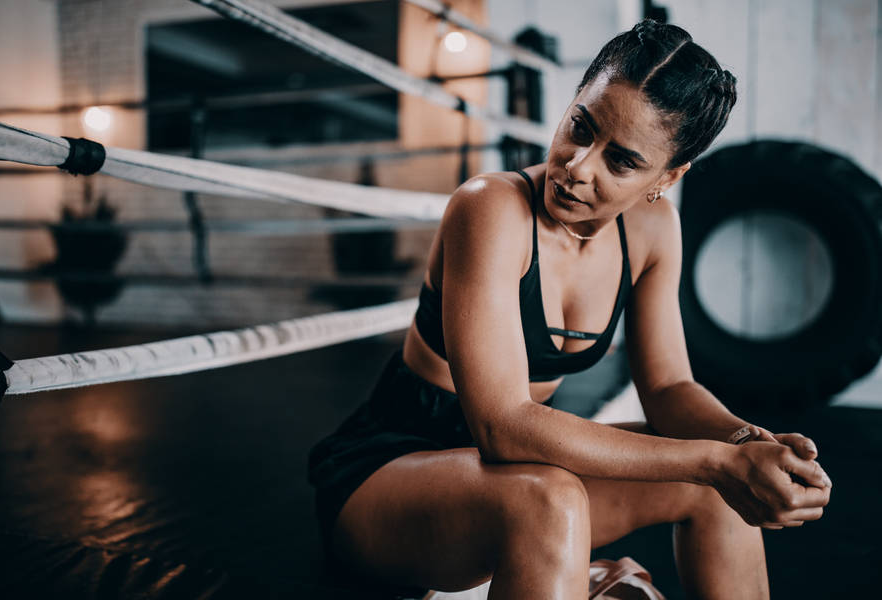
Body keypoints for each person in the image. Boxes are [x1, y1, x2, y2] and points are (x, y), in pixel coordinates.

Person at [307, 18, 832, 600]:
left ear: (668, 177)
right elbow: (503, 427)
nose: (579, 166)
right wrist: (712, 459)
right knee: (549, 498)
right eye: (581, 127)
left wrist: (745, 443)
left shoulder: (655, 230)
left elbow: (668, 388)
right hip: (393, 475)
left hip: (520, 476)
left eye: (623, 162)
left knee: (720, 490)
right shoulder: (491, 209)